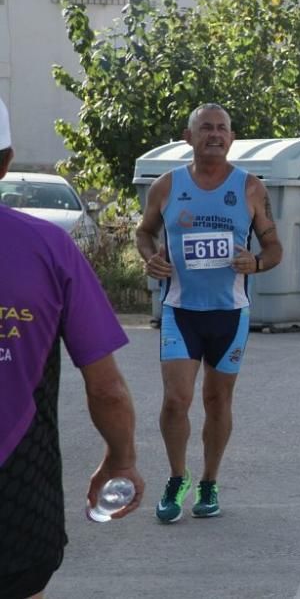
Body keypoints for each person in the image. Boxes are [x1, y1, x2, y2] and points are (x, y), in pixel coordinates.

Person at [0, 97, 144, 599]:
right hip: (17, 485)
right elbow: (105, 388)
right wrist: (120, 460)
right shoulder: (49, 249)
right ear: (5, 161)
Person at [136, 103, 282, 523]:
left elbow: (274, 248)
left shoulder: (251, 188)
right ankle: (176, 477)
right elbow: (144, 232)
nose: (214, 135)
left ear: (232, 138)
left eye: (222, 129)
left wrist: (255, 262)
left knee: (217, 401)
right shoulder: (166, 186)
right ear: (189, 137)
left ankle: (209, 481)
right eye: (205, 129)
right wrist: (150, 258)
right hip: (180, 311)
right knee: (175, 401)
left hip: (229, 314)